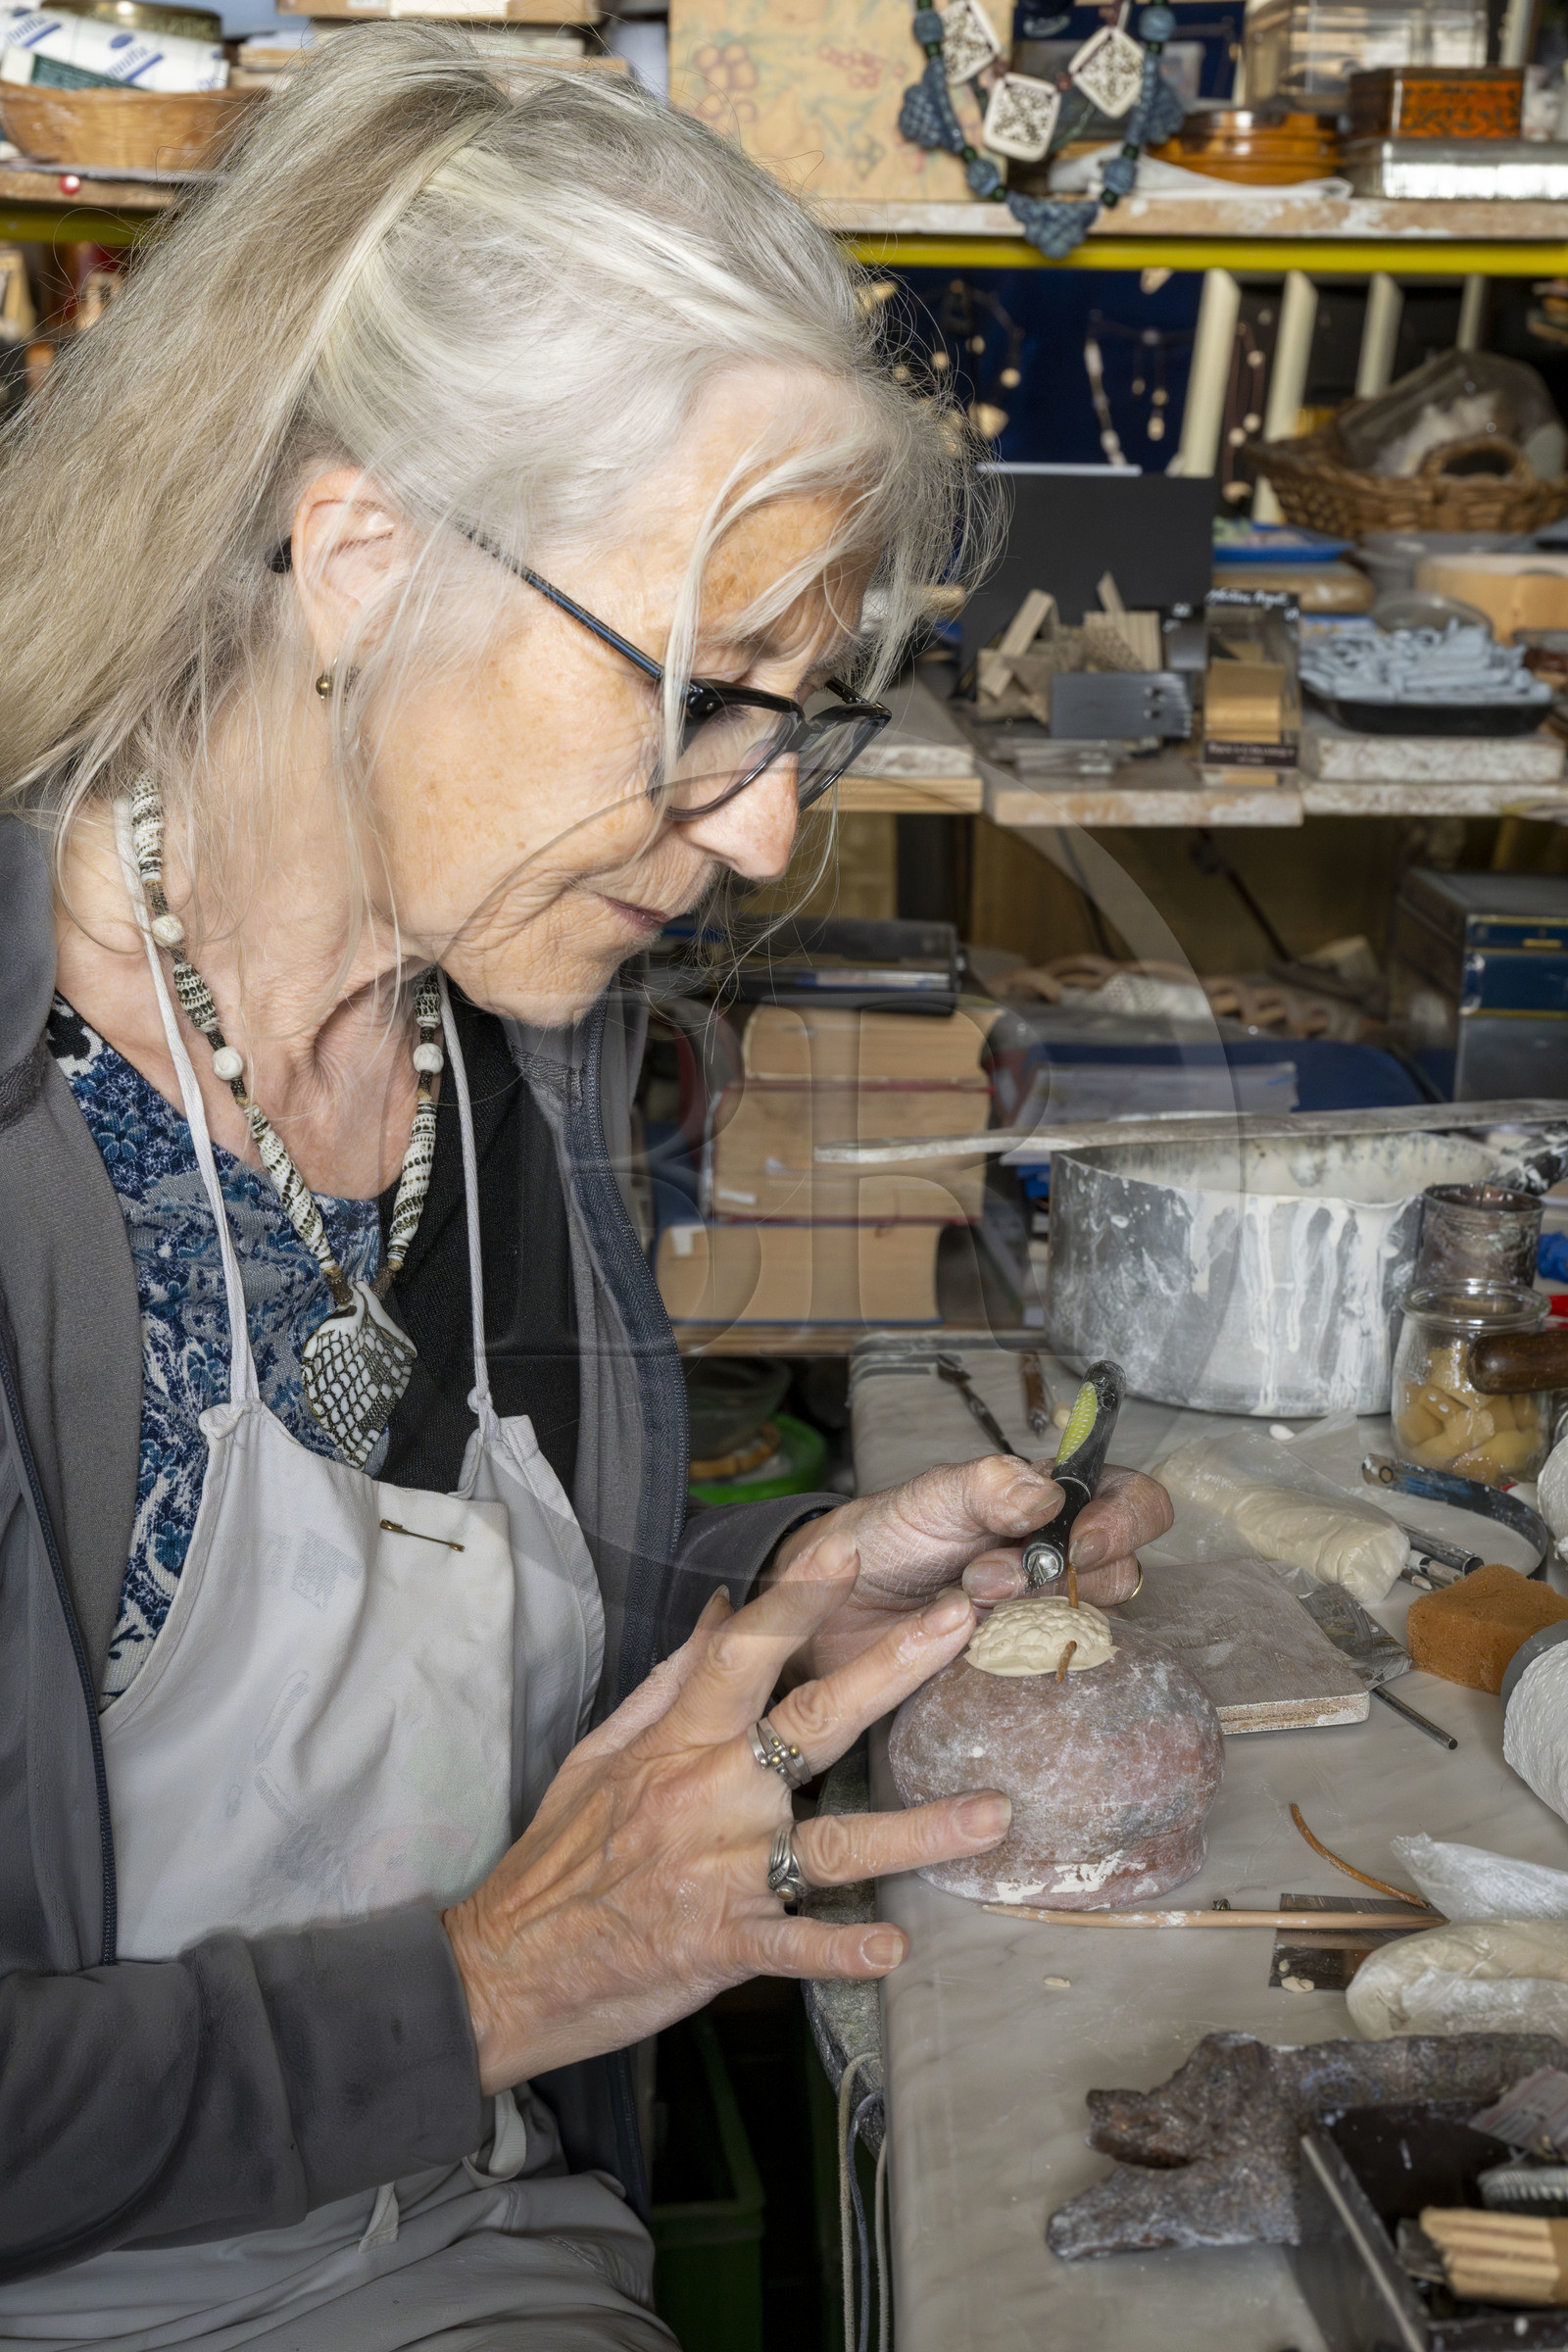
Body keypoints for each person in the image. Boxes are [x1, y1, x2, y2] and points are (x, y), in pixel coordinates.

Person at [0, 32, 1173, 2349]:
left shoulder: (511, 1038)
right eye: (702, 696)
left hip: (487, 2233)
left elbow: (408, 1713)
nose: (754, 830)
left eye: (796, 715)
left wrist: (761, 1620)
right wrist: (485, 1986)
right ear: (359, 556)